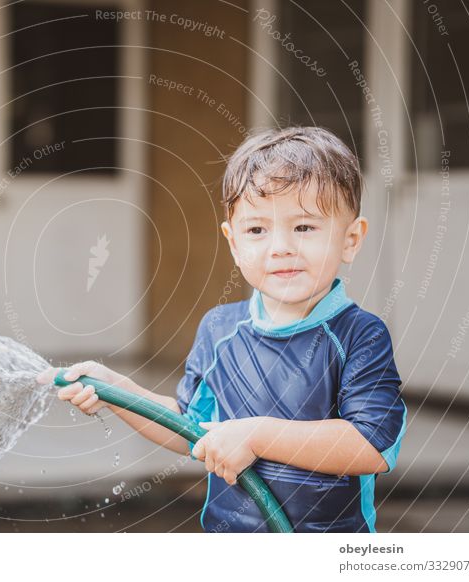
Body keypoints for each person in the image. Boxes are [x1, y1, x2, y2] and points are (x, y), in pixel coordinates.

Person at [36, 126, 407, 533]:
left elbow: (371, 445)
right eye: (256, 230)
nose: (280, 246)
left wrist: (255, 435)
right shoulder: (220, 329)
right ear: (233, 243)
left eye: (304, 227)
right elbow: (191, 430)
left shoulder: (359, 335)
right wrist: (117, 390)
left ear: (351, 239)